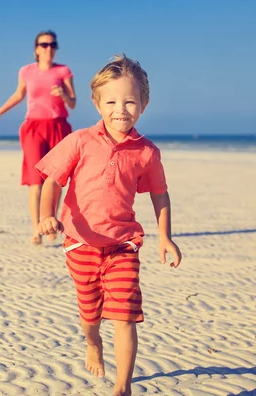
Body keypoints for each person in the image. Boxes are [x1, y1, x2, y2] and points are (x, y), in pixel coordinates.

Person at [35, 54, 182, 396]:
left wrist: (165, 237)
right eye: (112, 101)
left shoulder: (147, 152)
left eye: (130, 101)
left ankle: (123, 386)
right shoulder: (81, 141)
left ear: (144, 104)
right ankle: (92, 343)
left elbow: (159, 195)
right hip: (80, 244)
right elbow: (52, 182)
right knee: (90, 316)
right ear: (97, 103)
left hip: (122, 246)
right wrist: (47, 215)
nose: (121, 109)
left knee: (125, 316)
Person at [0, 30, 76, 245]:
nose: (49, 49)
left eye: (53, 45)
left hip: (59, 127)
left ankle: (51, 223)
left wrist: (63, 95)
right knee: (35, 181)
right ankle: (37, 229)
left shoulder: (63, 71)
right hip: (33, 128)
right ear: (36, 49)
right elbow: (19, 95)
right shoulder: (26, 71)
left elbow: (72, 103)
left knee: (55, 179)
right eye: (44, 45)